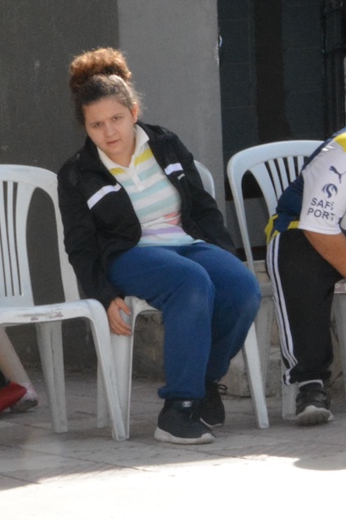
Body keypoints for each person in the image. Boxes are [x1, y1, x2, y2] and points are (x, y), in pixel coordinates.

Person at [57, 48, 260, 444]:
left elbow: (203, 208)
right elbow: (80, 245)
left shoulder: (165, 143)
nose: (109, 132)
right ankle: (179, 409)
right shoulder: (76, 174)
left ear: (133, 111)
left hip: (185, 242)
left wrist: (223, 254)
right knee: (190, 281)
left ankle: (201, 383)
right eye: (96, 125)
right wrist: (104, 294)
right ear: (85, 127)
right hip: (130, 256)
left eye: (116, 119)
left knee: (242, 287)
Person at [266, 132, 346, 425]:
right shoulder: (342, 151)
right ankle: (310, 385)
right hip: (306, 232)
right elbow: (318, 227)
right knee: (298, 262)